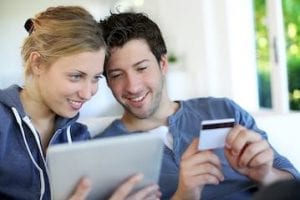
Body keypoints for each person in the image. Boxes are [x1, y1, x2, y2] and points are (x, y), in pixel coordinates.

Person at [98, 12, 300, 200]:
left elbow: (293, 184)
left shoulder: (223, 110)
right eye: (117, 75)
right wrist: (184, 195)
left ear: (163, 64)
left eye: (141, 68)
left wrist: (266, 176)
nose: (133, 86)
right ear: (107, 81)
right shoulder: (102, 152)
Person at [0, 6, 161, 200]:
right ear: (38, 63)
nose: (87, 93)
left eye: (96, 78)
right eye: (76, 76)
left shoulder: (78, 137)